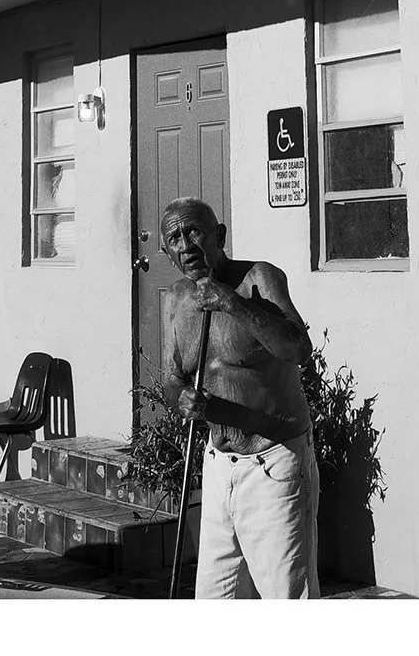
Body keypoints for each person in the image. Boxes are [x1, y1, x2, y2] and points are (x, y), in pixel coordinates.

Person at [159, 197, 319, 598]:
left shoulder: (259, 279)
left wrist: (233, 302)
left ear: (220, 236)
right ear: (167, 253)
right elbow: (171, 378)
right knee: (216, 600)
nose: (186, 244)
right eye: (174, 238)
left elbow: (299, 350)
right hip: (218, 467)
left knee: (286, 599)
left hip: (273, 463)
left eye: (194, 231)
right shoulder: (177, 299)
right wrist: (180, 398)